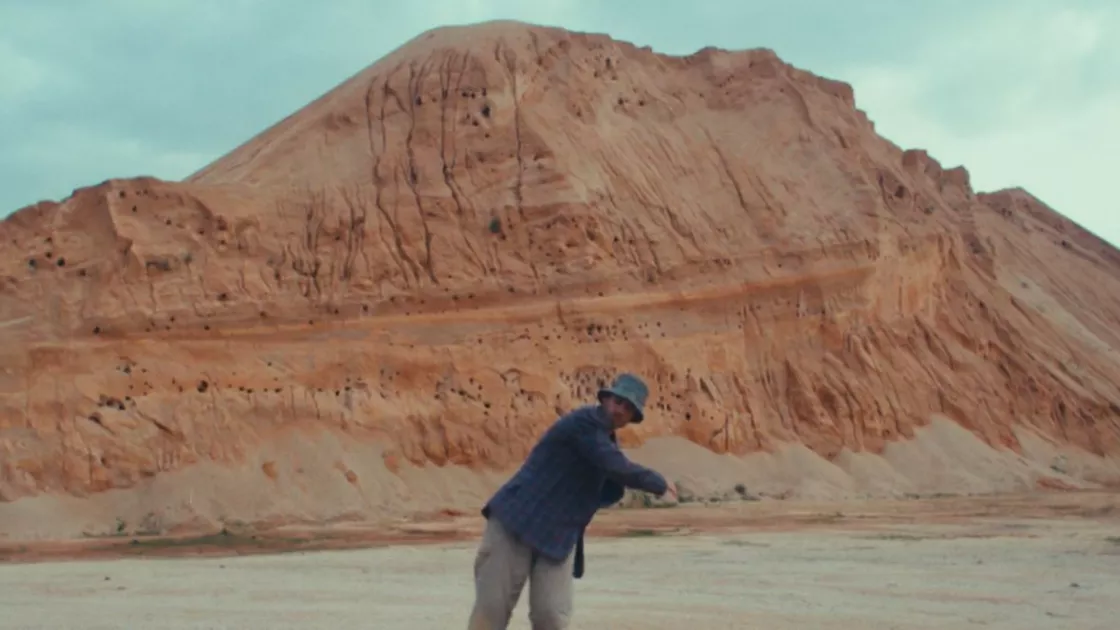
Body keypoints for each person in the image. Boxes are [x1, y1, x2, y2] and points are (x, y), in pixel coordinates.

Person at [465, 372, 677, 630]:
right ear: (606, 398)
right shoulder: (584, 423)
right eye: (619, 401)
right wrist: (659, 483)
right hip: (515, 522)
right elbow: (615, 466)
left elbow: (609, 481)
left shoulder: (608, 443)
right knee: (491, 613)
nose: (621, 409)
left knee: (552, 617)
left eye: (629, 408)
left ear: (633, 418)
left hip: (557, 537)